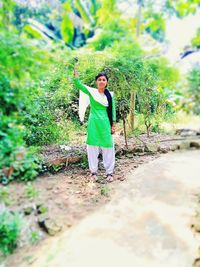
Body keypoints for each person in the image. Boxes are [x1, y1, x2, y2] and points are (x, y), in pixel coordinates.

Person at [73, 67, 116, 182]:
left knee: (108, 147)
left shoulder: (110, 95)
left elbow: (113, 111)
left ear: (106, 82)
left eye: (104, 80)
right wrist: (76, 76)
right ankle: (93, 172)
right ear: (96, 81)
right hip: (93, 123)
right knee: (92, 147)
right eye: (99, 79)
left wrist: (113, 125)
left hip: (105, 123)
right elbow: (79, 85)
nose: (101, 81)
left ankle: (109, 173)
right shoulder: (92, 92)